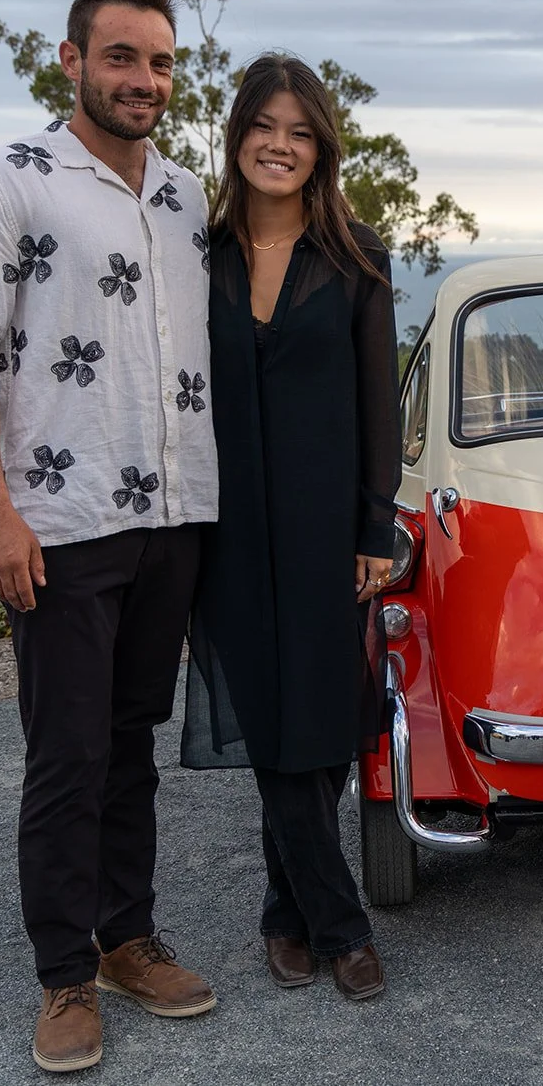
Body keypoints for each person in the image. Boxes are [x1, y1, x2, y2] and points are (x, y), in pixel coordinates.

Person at [0, 0, 219, 1073]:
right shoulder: (2, 182)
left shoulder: (190, 198)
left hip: (175, 516)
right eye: (122, 58)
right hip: (59, 518)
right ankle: (63, 978)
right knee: (65, 753)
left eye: (160, 63)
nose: (143, 80)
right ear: (70, 60)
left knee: (132, 744)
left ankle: (125, 938)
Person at [180, 53, 400, 1003]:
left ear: (321, 148)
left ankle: (286, 911)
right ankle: (340, 924)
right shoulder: (198, 255)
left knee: (325, 714)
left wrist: (374, 525)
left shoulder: (358, 257)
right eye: (264, 127)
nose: (280, 145)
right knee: (271, 718)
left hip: (324, 530)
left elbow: (377, 406)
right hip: (222, 528)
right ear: (237, 138)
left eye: (299, 131)